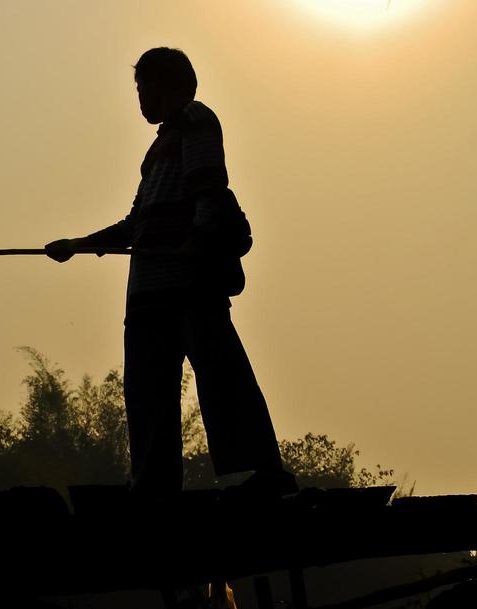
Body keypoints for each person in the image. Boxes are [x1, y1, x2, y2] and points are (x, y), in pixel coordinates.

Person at [46, 47, 295, 497]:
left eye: (146, 88)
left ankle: (262, 472)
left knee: (222, 378)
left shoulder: (196, 122)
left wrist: (194, 246)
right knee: (147, 392)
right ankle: (154, 485)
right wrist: (80, 245)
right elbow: (136, 224)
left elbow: (208, 191)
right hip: (147, 295)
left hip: (189, 285)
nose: (141, 99)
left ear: (174, 87)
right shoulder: (159, 149)